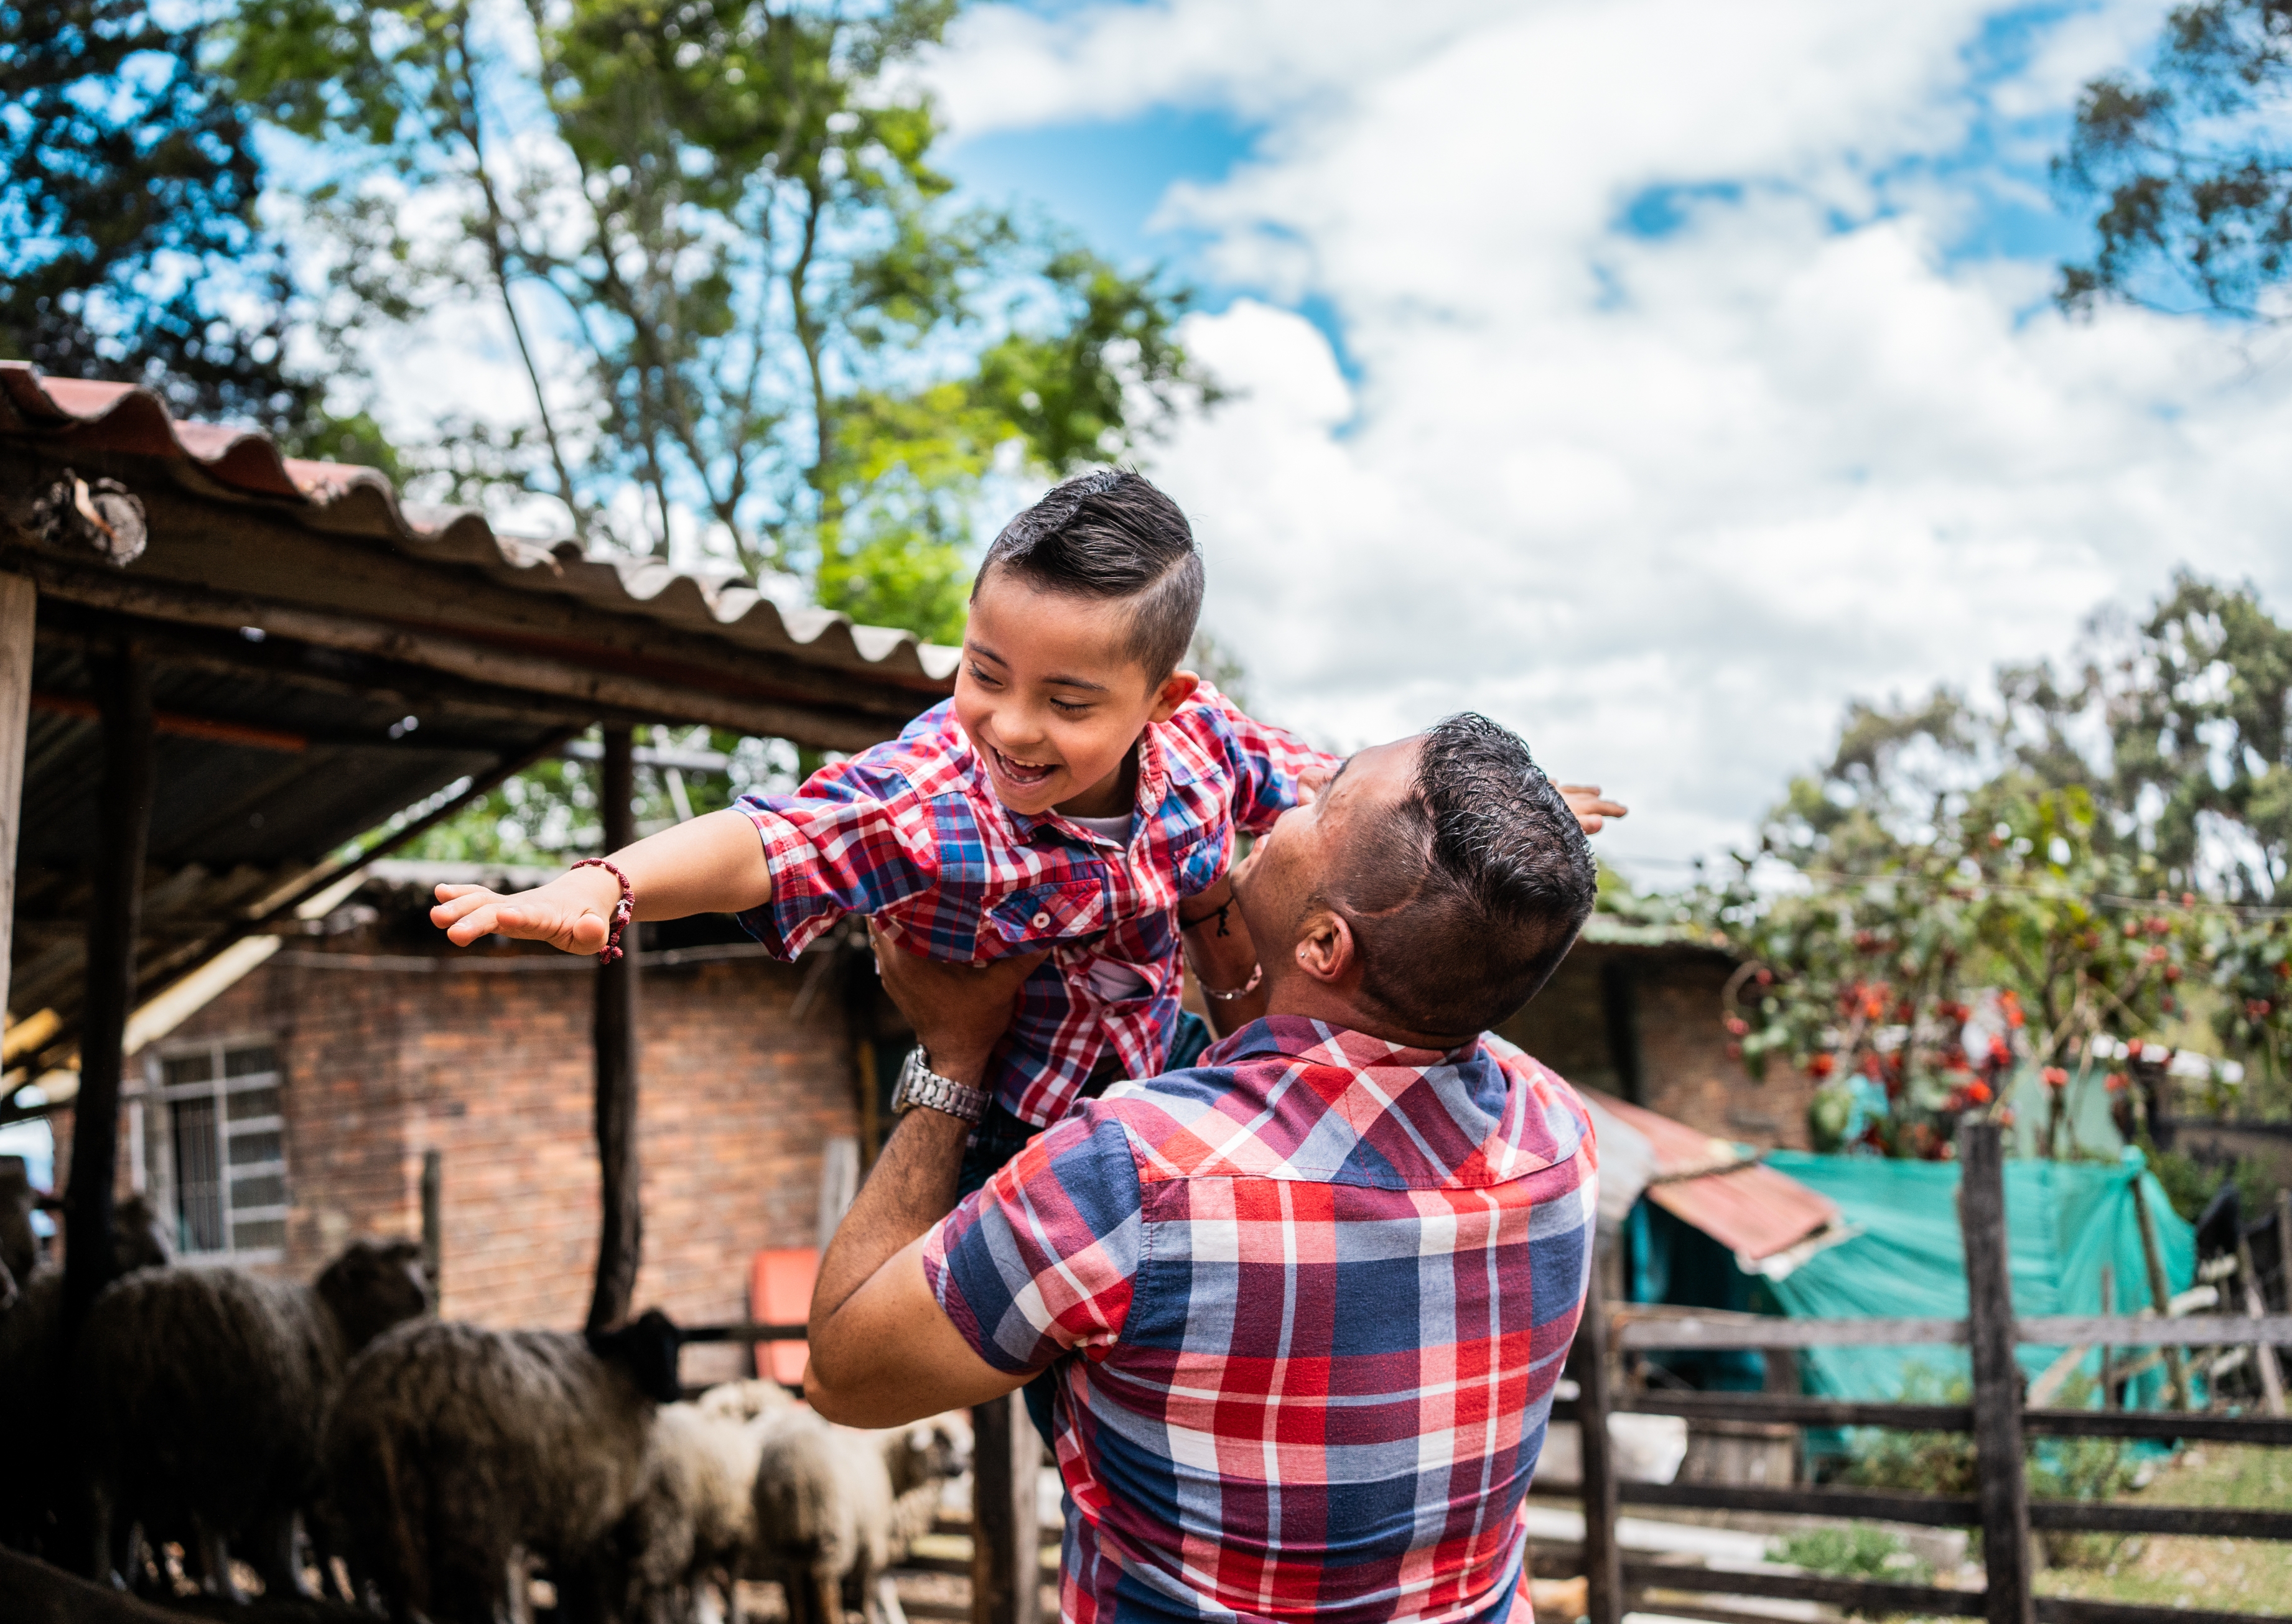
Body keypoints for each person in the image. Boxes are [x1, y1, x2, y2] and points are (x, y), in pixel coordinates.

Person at [431, 470, 1621, 1192]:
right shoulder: (932, 798)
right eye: (983, 671)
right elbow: (771, 838)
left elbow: (1353, 800)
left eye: (1065, 702)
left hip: (1169, 1075)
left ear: (1162, 700)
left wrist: (1506, 823)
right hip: (1017, 1129)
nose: (1007, 725)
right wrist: (607, 882)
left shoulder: (1208, 751)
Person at [805, 713, 1603, 1624]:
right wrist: (1219, 925)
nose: (1289, 802)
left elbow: (843, 1372)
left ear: (1323, 947)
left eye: (1324, 799)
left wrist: (952, 1059)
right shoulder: (1554, 1131)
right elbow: (1298, 1101)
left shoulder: (1130, 1177)